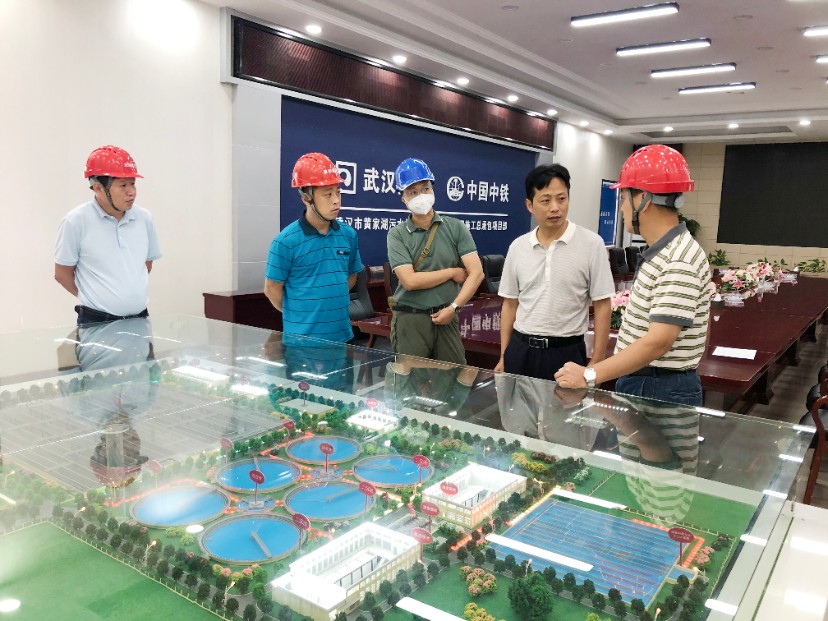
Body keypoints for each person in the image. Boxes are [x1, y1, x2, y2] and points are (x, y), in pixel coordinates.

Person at [555, 145, 711, 407]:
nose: (622, 208)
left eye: (625, 198)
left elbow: (658, 342)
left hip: (657, 386)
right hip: (648, 380)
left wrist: (589, 375)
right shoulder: (665, 251)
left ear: (644, 200)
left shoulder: (677, 258)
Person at [495, 163, 614, 380]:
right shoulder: (518, 247)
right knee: (516, 404)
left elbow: (602, 304)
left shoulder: (592, 244)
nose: (555, 208)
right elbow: (510, 304)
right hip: (521, 350)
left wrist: (597, 360)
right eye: (546, 200)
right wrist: (505, 355)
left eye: (561, 199)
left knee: (565, 404)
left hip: (567, 352)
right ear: (529, 205)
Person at [386, 157, 483, 364]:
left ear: (433, 190)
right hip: (411, 319)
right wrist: (451, 272)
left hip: (447, 315)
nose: (421, 195)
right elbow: (410, 281)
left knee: (453, 377)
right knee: (412, 381)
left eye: (426, 188)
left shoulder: (455, 227)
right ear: (403, 198)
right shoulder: (397, 234)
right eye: (413, 192)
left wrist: (454, 307)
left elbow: (477, 273)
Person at [55, 145, 162, 325]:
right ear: (98, 188)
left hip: (139, 318)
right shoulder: (75, 221)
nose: (131, 192)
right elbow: (62, 273)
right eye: (123, 185)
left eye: (133, 184)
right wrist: (93, 298)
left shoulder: (144, 218)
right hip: (96, 321)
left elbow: (146, 265)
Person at [264, 152, 363, 344]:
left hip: (342, 337)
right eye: (328, 194)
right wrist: (300, 310)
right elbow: (272, 289)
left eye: (338, 192)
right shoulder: (285, 242)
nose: (336, 200)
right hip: (302, 343)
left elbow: (351, 276)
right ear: (306, 197)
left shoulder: (348, 235)